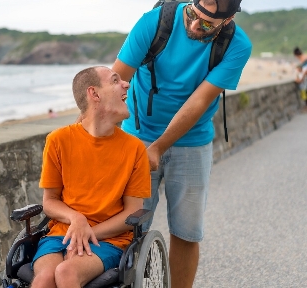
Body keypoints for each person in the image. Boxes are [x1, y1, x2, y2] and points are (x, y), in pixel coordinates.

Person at [111, 0, 252, 287]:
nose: (194, 26)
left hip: (193, 142)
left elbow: (199, 101)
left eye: (208, 25)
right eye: (192, 15)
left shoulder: (237, 44)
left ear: (226, 22)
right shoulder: (154, 22)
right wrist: (81, 139)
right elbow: (115, 83)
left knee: (187, 233)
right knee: (125, 229)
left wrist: (159, 147)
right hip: (136, 135)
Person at [31, 66, 151, 288]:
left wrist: (87, 232)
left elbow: (133, 211)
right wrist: (77, 220)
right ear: (94, 94)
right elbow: (50, 202)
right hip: (61, 234)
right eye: (115, 81)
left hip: (108, 240)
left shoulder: (134, 149)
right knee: (44, 279)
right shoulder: (58, 140)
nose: (126, 84)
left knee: (66, 272)